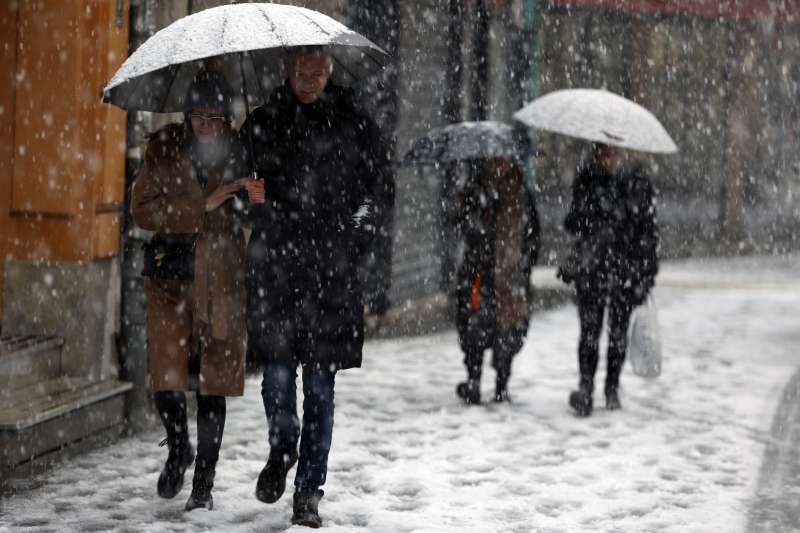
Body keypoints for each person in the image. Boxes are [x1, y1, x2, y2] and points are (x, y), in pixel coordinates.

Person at [240, 47, 394, 528]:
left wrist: (357, 237)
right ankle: (282, 447)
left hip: (332, 279)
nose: (309, 80)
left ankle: (309, 491)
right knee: (277, 379)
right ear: (287, 71)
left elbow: (379, 189)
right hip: (276, 274)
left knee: (321, 389)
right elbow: (235, 185)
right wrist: (249, 194)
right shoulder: (263, 122)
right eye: (301, 71)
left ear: (329, 72)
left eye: (317, 72)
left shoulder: (355, 124)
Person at [131, 70, 249, 511]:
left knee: (212, 383)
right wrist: (200, 205)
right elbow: (142, 210)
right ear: (187, 114)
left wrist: (251, 197)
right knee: (166, 376)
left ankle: (203, 485)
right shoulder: (163, 147)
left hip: (221, 279)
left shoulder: (243, 149)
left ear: (227, 118)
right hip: (170, 278)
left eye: (216, 117)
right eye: (199, 115)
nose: (207, 125)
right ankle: (179, 447)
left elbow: (256, 212)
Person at [558, 143, 659, 417]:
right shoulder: (587, 181)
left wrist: (646, 274)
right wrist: (591, 215)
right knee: (589, 333)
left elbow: (648, 233)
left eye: (614, 152)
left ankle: (611, 388)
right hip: (592, 268)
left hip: (625, 271)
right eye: (603, 152)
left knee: (617, 334)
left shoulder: (637, 185)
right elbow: (573, 224)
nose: (609, 158)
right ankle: (586, 387)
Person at [454, 157, 540, 404]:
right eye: (494, 160)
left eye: (504, 159)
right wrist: (478, 217)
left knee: (509, 330)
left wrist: (522, 265)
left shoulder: (521, 193)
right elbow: (461, 224)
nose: (498, 164)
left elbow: (534, 236)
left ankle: (502, 384)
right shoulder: (475, 189)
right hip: (478, 274)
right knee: (473, 325)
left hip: (509, 276)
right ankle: (473, 380)